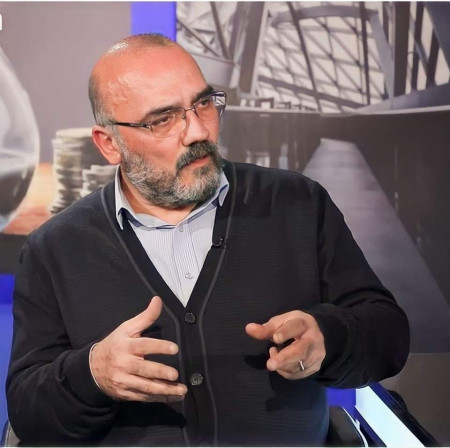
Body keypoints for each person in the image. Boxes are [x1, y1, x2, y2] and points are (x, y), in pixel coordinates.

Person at [7, 33, 409, 446]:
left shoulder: (297, 203)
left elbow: (389, 335)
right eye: (163, 119)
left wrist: (330, 338)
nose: (198, 130)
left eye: (203, 103)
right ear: (110, 144)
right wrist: (92, 374)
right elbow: (28, 413)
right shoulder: (54, 249)